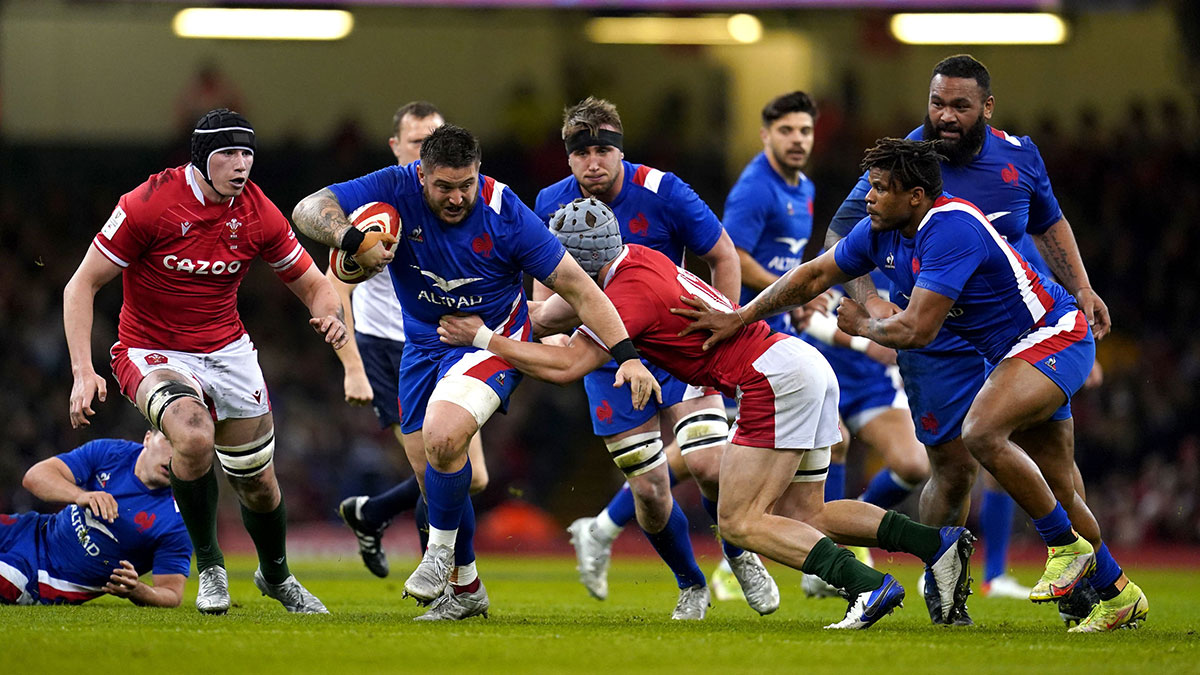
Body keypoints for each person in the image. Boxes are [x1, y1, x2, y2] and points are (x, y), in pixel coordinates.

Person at [439, 197, 976, 630]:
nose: (553, 272)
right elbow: (549, 313)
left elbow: (567, 365)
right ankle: (937, 545)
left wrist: (484, 339)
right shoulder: (638, 260)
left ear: (578, 260)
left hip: (770, 379)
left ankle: (866, 586)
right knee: (808, 514)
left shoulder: (626, 297)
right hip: (798, 365)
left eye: (557, 263)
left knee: (739, 522)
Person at [682, 138, 1147, 633]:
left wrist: (859, 325)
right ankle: (1119, 593)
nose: (869, 196)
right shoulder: (882, 230)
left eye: (882, 188)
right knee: (1058, 485)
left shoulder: (951, 228)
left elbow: (917, 331)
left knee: (981, 433)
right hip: (1012, 350)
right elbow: (814, 274)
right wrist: (743, 315)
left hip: (1053, 334)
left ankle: (1065, 546)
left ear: (918, 196)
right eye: (871, 186)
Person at [292, 124, 658, 622]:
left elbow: (579, 288)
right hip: (422, 346)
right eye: (444, 186)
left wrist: (628, 355)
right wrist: (351, 237)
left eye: (466, 184)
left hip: (490, 338)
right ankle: (467, 589)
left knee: (446, 437)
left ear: (478, 172)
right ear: (421, 174)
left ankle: (437, 557)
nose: (457, 197)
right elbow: (308, 208)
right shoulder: (396, 186)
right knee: (431, 471)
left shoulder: (506, 213)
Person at [826, 54, 1108, 620]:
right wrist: (872, 301)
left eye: (959, 105)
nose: (945, 117)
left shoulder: (1020, 157)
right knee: (953, 468)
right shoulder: (909, 158)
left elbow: (1050, 223)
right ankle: (944, 581)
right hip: (935, 339)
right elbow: (842, 232)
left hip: (1014, 331)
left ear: (987, 107)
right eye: (937, 104)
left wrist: (1083, 287)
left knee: (1058, 468)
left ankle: (1099, 586)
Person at [64, 109, 343, 615]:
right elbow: (81, 283)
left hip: (228, 350)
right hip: (150, 349)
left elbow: (313, 284)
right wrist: (84, 371)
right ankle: (211, 567)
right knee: (192, 436)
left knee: (258, 482)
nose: (241, 166)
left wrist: (330, 316)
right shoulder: (149, 204)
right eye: (228, 155)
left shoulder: (258, 211)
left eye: (247, 154)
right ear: (201, 158)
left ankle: (276, 575)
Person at [533, 97, 775, 618]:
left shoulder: (663, 192)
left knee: (710, 464)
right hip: (605, 357)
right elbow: (541, 275)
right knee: (649, 489)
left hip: (679, 347)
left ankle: (740, 554)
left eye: (604, 150)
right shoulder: (551, 202)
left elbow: (723, 254)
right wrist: (549, 334)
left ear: (620, 151)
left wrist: (725, 321)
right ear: (568, 157)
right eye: (583, 153)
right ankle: (691, 584)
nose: (593, 162)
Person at [719, 91, 930, 598]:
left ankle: (815, 555)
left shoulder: (805, 187)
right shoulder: (754, 189)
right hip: (746, 337)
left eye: (806, 131)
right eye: (787, 131)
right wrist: (790, 288)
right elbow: (731, 254)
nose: (798, 140)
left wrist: (801, 295)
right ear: (765, 134)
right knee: (709, 462)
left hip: (783, 334)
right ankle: (736, 555)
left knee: (833, 444)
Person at [330, 102, 489, 579]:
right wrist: (352, 366)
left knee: (473, 478)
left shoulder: (450, 200)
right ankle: (444, 578)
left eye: (433, 140)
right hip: (389, 350)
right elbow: (336, 284)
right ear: (397, 147)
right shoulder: (379, 208)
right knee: (434, 476)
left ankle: (372, 513)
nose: (425, 150)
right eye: (416, 142)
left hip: (445, 344)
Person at [1, 431, 191, 607]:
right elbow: (35, 476)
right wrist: (80, 496)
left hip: (45, 577)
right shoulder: (112, 452)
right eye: (170, 441)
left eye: (184, 451)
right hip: (31, 529)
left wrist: (138, 590)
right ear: (148, 438)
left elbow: (171, 594)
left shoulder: (178, 519)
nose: (174, 456)